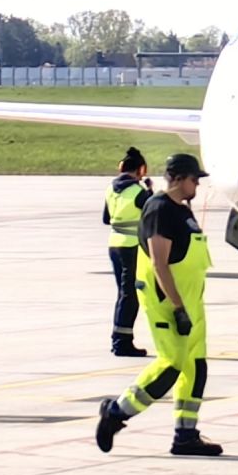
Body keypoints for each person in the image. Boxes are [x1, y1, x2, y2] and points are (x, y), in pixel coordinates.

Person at [95, 152, 222, 457]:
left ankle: (185, 435)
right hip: (170, 303)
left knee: (196, 368)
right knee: (170, 366)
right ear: (178, 178)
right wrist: (178, 308)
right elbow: (159, 264)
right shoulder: (160, 210)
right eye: (194, 180)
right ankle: (116, 412)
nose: (197, 186)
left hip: (192, 303)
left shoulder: (182, 210)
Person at [102, 147, 152, 356]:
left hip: (114, 244)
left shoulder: (111, 189)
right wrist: (149, 193)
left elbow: (106, 219)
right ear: (141, 169)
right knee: (130, 295)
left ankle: (120, 338)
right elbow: (152, 214)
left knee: (124, 294)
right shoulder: (138, 192)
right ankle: (121, 341)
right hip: (132, 247)